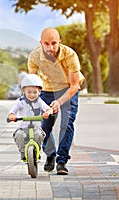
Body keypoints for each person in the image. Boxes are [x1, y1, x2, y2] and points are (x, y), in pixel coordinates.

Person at [28, 27, 85, 175]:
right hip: (48, 89)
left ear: (60, 42)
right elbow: (33, 83)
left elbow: (74, 85)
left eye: (54, 43)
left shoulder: (70, 55)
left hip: (68, 88)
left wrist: (59, 102)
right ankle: (51, 155)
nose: (50, 47)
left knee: (67, 123)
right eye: (46, 44)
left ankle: (62, 160)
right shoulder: (34, 56)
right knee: (45, 125)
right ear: (41, 43)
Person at [8, 74, 53, 160]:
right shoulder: (20, 101)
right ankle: (22, 153)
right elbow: (12, 111)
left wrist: (48, 112)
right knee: (19, 135)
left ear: (39, 92)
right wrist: (12, 116)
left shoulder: (40, 101)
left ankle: (37, 151)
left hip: (36, 127)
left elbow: (48, 109)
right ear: (23, 91)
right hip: (23, 128)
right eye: (29, 92)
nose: (32, 95)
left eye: (35, 92)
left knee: (39, 135)